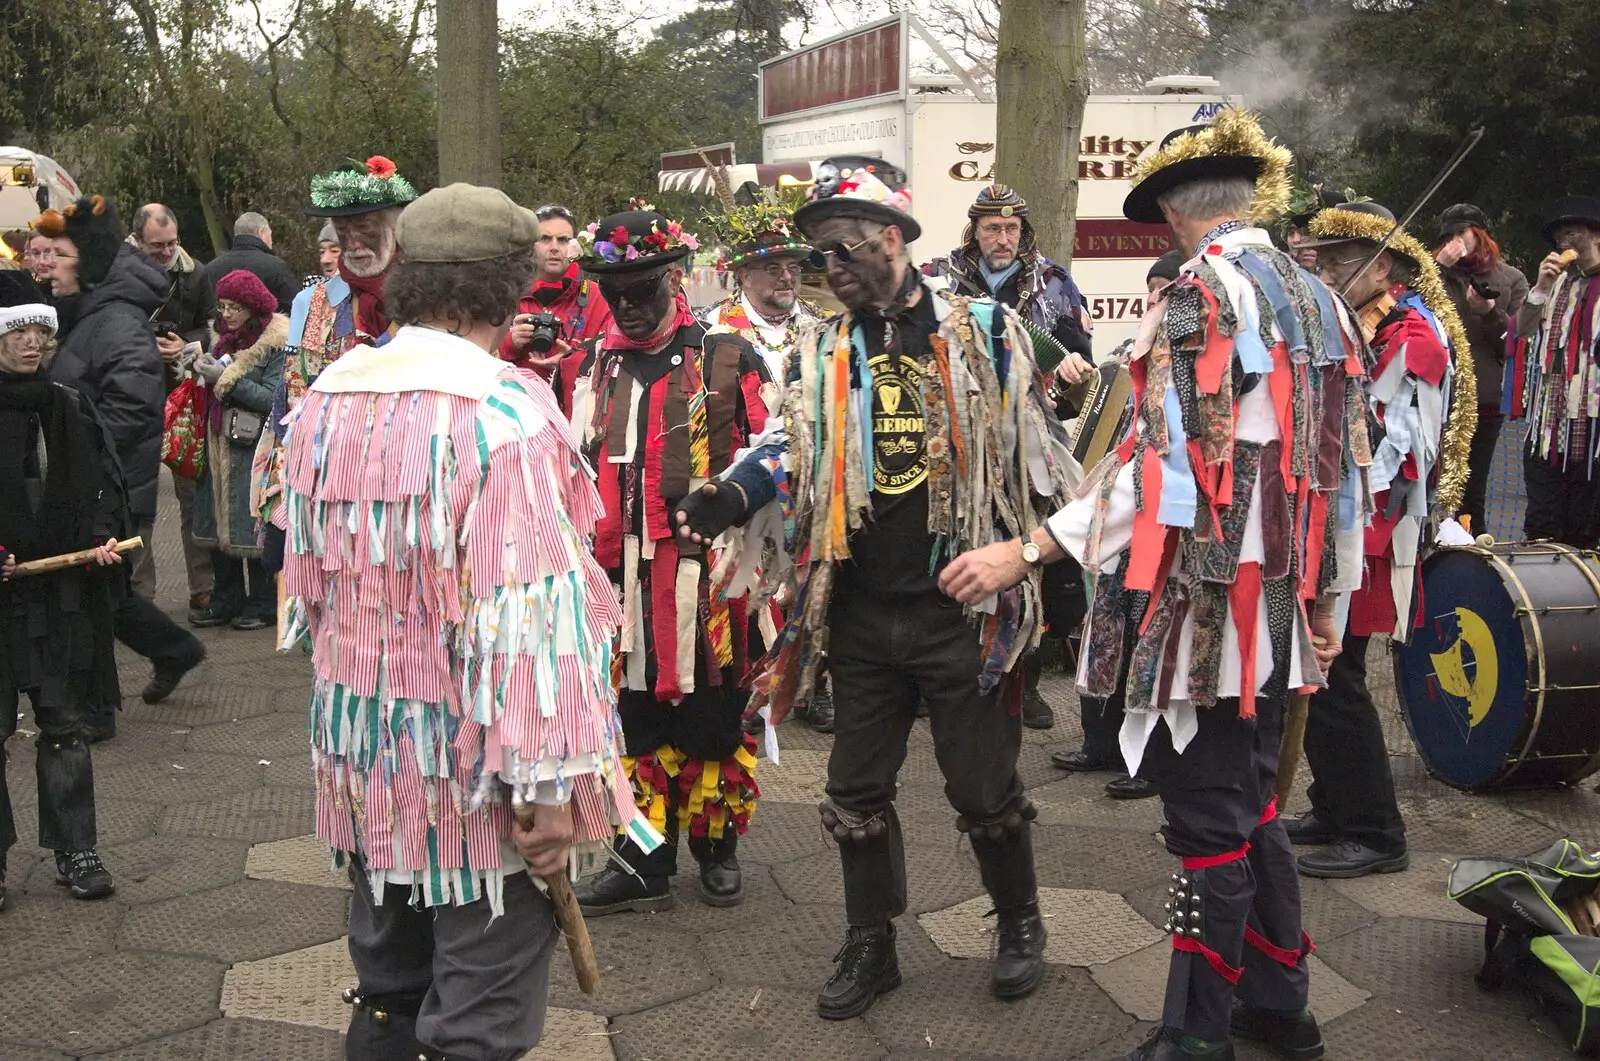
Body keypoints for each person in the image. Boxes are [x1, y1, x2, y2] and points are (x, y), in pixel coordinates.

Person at [938, 110, 1376, 1060]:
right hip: (1281, 605)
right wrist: (1330, 606)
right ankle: (1283, 1003)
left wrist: (1034, 549)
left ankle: (1199, 1031)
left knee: (1210, 820)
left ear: (1174, 208)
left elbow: (1164, 471)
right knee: (1252, 804)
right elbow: (1347, 471)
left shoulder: (1201, 295)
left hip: (1208, 612)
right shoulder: (1321, 295)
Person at [676, 157, 1076, 1017]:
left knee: (982, 787)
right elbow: (790, 442)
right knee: (853, 792)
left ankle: (1018, 918)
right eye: (819, 257)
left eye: (844, 251)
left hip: (960, 610)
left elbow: (1043, 461)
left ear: (893, 240)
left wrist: (1027, 555)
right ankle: (872, 940)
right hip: (858, 610)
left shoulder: (986, 330)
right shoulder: (824, 345)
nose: (830, 270)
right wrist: (732, 493)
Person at [280, 183, 652, 1061]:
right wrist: (547, 794)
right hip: (481, 778)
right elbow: (528, 627)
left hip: (366, 760)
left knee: (388, 995)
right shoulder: (502, 414)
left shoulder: (329, 395)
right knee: (478, 1024)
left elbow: (311, 582)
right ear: (511, 284)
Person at [565, 204, 769, 918]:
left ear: (675, 277)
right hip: (620, 583)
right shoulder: (591, 363)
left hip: (708, 582)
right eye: (615, 292)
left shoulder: (728, 355)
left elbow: (770, 461)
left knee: (713, 717)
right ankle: (644, 859)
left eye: (643, 288)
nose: (629, 304)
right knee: (635, 720)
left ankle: (716, 851)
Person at [1291, 201, 1475, 878]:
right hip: (1337, 521)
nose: (1329, 270)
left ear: (1386, 266)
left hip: (1369, 530)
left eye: (1343, 260)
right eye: (1326, 257)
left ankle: (1377, 830)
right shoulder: (1354, 325)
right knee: (1319, 672)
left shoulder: (1415, 339)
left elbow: (1390, 452)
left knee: (1338, 675)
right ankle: (1334, 805)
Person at [925, 184, 1093, 732]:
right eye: (991, 227)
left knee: (1027, 556)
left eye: (1012, 229)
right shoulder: (940, 280)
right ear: (973, 229)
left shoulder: (1054, 286)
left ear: (1024, 233)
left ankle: (1026, 678)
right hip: (952, 435)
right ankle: (943, 677)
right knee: (947, 543)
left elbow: (1081, 380)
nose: (1002, 238)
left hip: (1029, 445)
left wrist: (1071, 374)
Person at [35, 196, 206, 712]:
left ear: (86, 264)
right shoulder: (92, 316)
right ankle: (172, 651)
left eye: (58, 255)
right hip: (97, 481)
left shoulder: (116, 323)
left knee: (93, 592)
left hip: (108, 486)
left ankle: (95, 708)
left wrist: (74, 456)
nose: (46, 264)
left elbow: (133, 408)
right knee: (99, 591)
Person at [0, 268, 126, 904]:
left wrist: (101, 539)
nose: (31, 344)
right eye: (16, 331)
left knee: (65, 725)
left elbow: (100, 490)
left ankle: (77, 850)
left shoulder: (67, 405)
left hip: (57, 595)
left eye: (38, 331)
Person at [1048, 249, 1186, 801]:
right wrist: (1069, 381)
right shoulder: (1128, 354)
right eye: (1151, 290)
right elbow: (1082, 416)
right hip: (1114, 518)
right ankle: (1100, 742)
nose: (1156, 300)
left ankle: (1150, 761)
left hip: (1163, 523)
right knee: (1101, 629)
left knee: (1152, 636)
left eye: (1167, 291)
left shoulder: (1196, 361)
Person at [699, 178, 834, 734]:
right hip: (745, 479)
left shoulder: (822, 330)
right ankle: (755, 681)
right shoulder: (713, 333)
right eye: (772, 266)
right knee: (749, 579)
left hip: (812, 475)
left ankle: (812, 684)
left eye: (793, 266)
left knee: (814, 577)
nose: (786, 276)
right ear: (741, 274)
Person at [255, 157, 416, 568]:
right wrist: (280, 482)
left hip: (405, 489)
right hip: (325, 486)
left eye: (364, 230)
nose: (352, 244)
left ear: (395, 229)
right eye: (343, 233)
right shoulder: (314, 301)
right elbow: (291, 397)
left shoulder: (425, 299)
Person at [130, 202, 216, 622]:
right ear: (136, 240)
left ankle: (203, 587)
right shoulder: (117, 273)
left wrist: (185, 344)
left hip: (182, 395)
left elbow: (208, 327)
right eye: (156, 246)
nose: (166, 253)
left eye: (172, 244)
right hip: (135, 397)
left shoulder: (196, 273)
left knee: (192, 494)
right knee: (138, 497)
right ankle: (139, 594)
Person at [187, 270, 285, 632]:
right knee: (216, 521)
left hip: (252, 450)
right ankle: (226, 598)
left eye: (235, 308)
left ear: (254, 308)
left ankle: (262, 602)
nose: (227, 314)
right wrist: (194, 370)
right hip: (217, 443)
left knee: (252, 523)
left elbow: (275, 398)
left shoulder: (275, 345)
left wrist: (225, 380)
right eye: (223, 306)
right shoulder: (220, 340)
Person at [1507, 195, 1600, 546]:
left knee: (1586, 515)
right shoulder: (1559, 282)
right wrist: (1541, 288)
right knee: (1543, 514)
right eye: (1560, 236)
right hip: (1551, 415)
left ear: (1596, 235)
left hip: (1593, 417)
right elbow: (1523, 331)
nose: (1565, 242)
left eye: (1573, 232)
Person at [1432, 204, 1528, 537]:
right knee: (1428, 487)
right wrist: (1436, 269)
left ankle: (1471, 558)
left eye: (1462, 233)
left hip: (1483, 399)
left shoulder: (1511, 279)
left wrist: (1489, 312)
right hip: (1434, 394)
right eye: (1448, 236)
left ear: (1479, 234)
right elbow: (1405, 313)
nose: (1454, 242)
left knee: (1472, 490)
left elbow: (1515, 347)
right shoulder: (1432, 272)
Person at [498, 203, 613, 415]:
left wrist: (572, 361)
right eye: (544, 239)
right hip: (517, 415)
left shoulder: (599, 296)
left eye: (563, 240)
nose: (554, 247)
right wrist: (510, 343)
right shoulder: (506, 293)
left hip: (578, 415)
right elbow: (475, 358)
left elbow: (614, 357)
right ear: (530, 246)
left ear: (576, 246)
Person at [201, 211, 299, 313]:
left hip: (222, 328)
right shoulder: (275, 266)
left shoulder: (211, 268)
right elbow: (293, 307)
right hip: (265, 327)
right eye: (270, 234)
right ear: (261, 232)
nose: (271, 240)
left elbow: (207, 310)